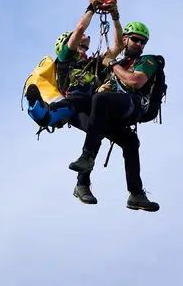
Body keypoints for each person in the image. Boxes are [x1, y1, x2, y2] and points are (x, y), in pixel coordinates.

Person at [67, 21, 161, 212]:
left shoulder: (148, 61)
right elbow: (113, 46)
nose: (139, 44)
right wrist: (113, 16)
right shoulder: (113, 62)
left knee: (100, 100)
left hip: (131, 106)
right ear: (126, 39)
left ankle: (87, 156)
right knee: (129, 141)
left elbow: (135, 81)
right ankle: (134, 194)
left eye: (143, 42)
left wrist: (112, 63)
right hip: (108, 113)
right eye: (135, 39)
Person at [24, 0, 123, 130]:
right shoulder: (66, 58)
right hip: (76, 102)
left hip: (93, 102)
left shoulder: (92, 64)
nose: (85, 35)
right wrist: (91, 8)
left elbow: (119, 46)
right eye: (77, 37)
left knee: (120, 135)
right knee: (72, 104)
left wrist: (115, 17)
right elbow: (80, 28)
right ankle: (40, 111)